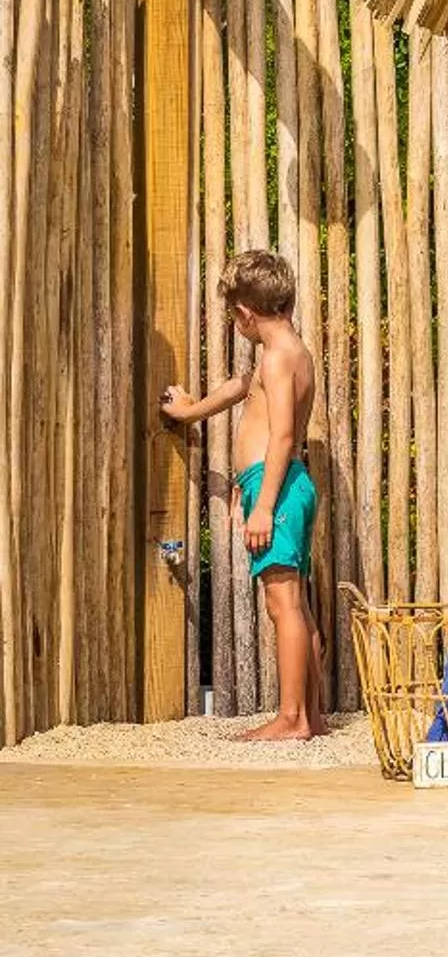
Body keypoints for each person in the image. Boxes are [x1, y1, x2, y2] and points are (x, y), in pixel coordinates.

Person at [162, 248, 327, 742]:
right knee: (295, 605)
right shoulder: (287, 352)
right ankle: (312, 717)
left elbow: (280, 436)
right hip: (284, 486)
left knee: (284, 606)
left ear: (243, 314)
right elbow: (240, 387)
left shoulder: (278, 359)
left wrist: (262, 505)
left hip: (274, 487)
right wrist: (191, 412)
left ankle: (291, 718)